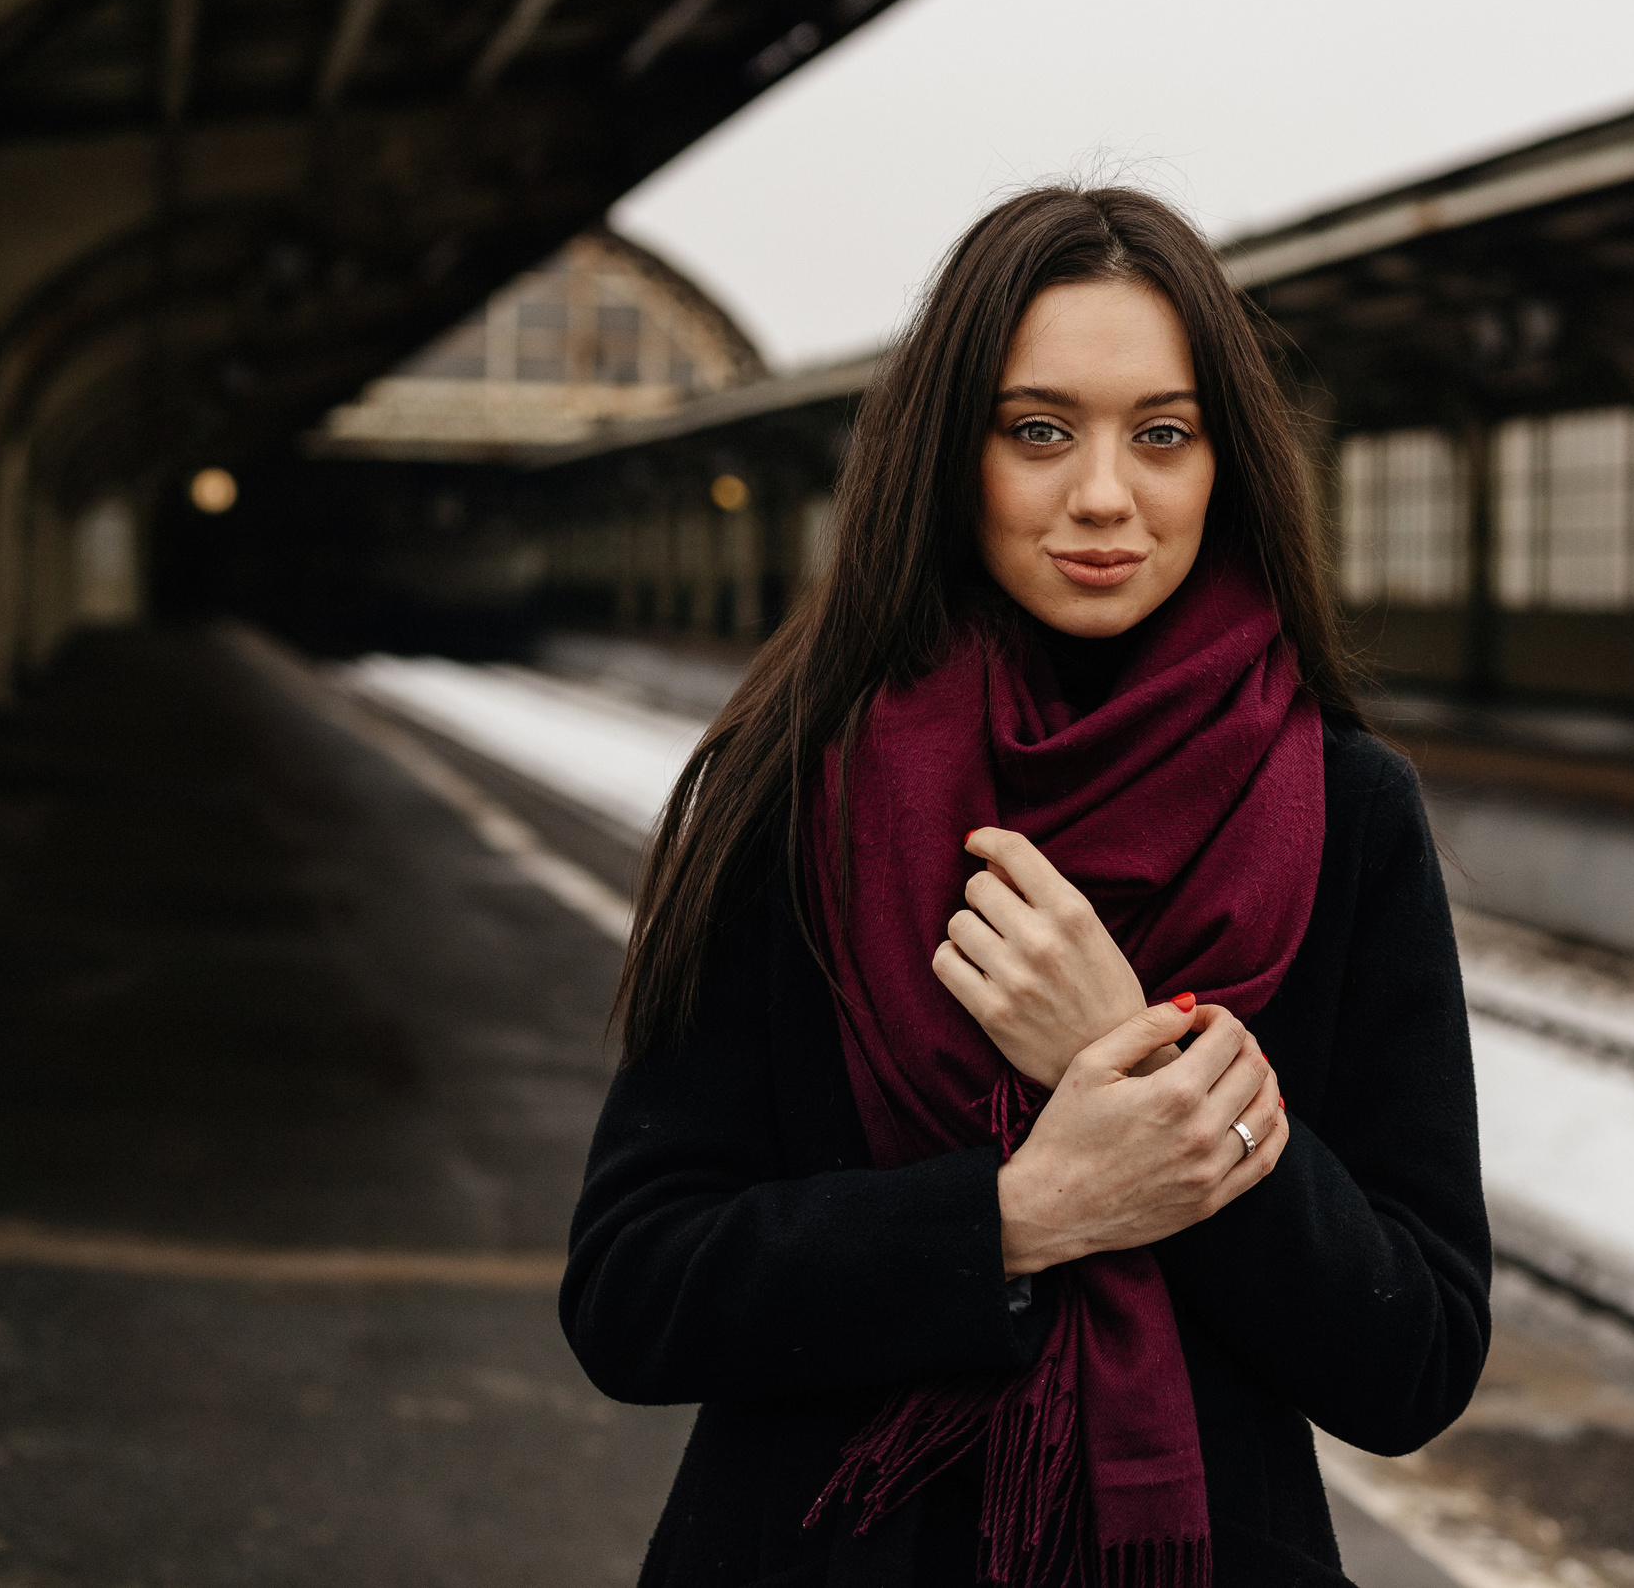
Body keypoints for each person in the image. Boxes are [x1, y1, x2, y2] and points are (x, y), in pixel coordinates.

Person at [562, 185, 1490, 1588]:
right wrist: (1015, 1215)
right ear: (953, 455)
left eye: (1163, 435)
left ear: (1226, 464)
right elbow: (633, 1289)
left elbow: (1412, 1353)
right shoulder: (799, 786)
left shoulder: (1347, 812)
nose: (1104, 494)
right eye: (1039, 431)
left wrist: (1143, 1079)